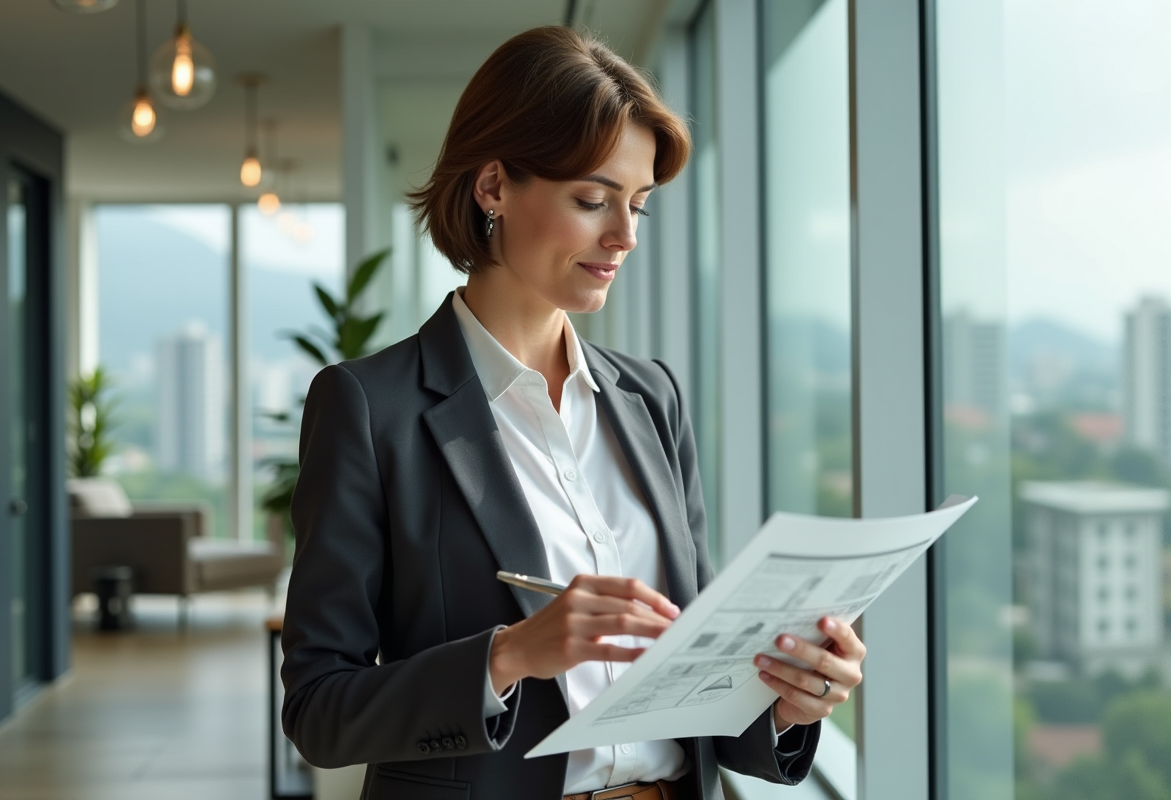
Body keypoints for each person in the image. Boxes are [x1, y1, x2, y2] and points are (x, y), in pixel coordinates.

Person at [280, 25, 865, 800]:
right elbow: (319, 712)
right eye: (592, 200)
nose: (624, 237)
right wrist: (509, 656)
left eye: (639, 207)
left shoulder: (651, 399)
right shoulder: (369, 408)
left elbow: (696, 679)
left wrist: (788, 702)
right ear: (493, 186)